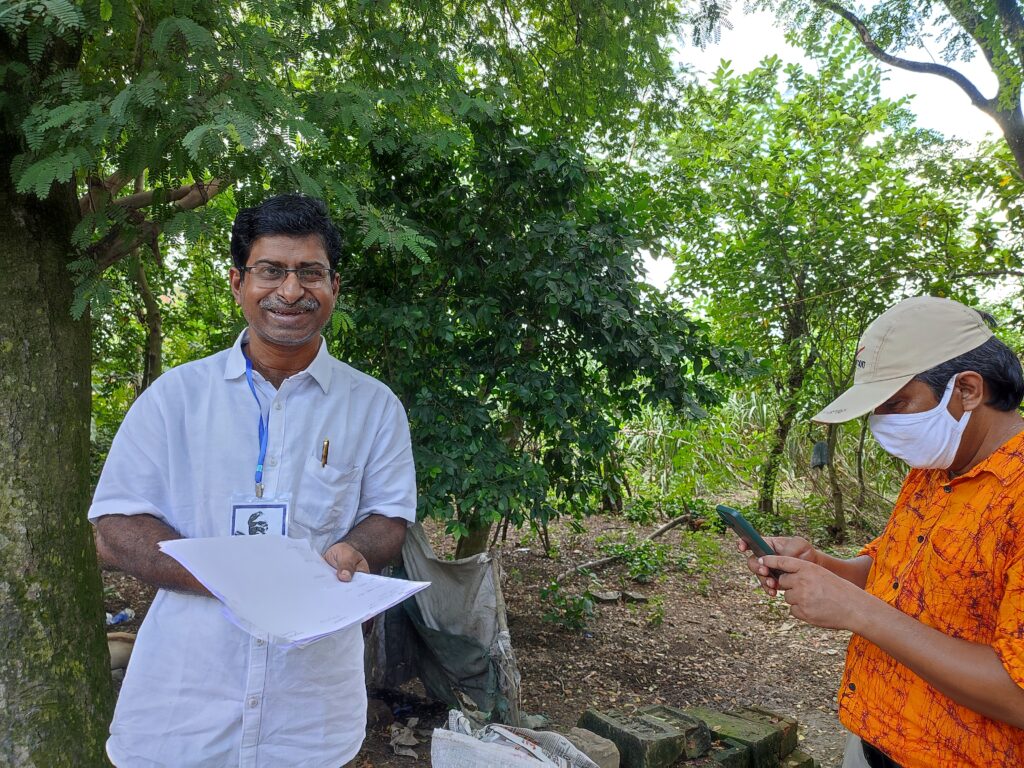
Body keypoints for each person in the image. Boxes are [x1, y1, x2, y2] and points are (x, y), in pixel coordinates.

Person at [90, 194, 417, 767]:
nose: (290, 291)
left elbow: (390, 517)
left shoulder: (374, 406)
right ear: (238, 281)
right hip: (183, 706)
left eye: (310, 272)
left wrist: (355, 548)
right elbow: (114, 526)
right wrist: (231, 579)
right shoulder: (175, 398)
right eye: (271, 270)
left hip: (310, 713)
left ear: (334, 286)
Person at [741, 296, 1024, 768]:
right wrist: (822, 566)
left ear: (968, 389)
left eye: (896, 403)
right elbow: (892, 571)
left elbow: (1017, 696)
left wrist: (858, 611)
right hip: (873, 742)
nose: (883, 423)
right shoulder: (933, 470)